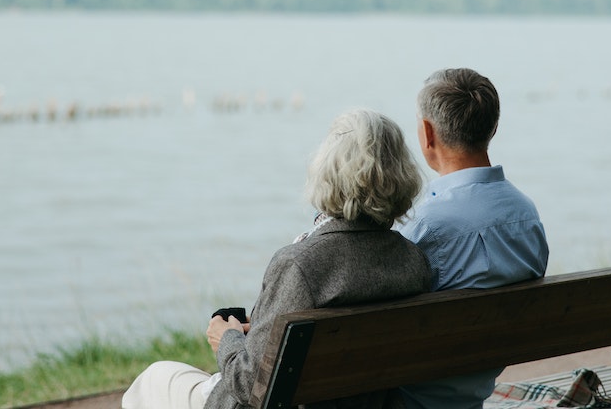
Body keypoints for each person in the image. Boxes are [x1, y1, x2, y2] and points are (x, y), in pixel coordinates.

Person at [123, 109, 431, 409]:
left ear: (326, 174)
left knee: (154, 379)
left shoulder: (299, 265)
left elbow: (249, 384)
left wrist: (227, 338)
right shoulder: (413, 260)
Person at [395, 68, 549, 409]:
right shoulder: (526, 214)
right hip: (476, 389)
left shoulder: (424, 226)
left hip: (413, 398)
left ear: (427, 133)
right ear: (493, 128)